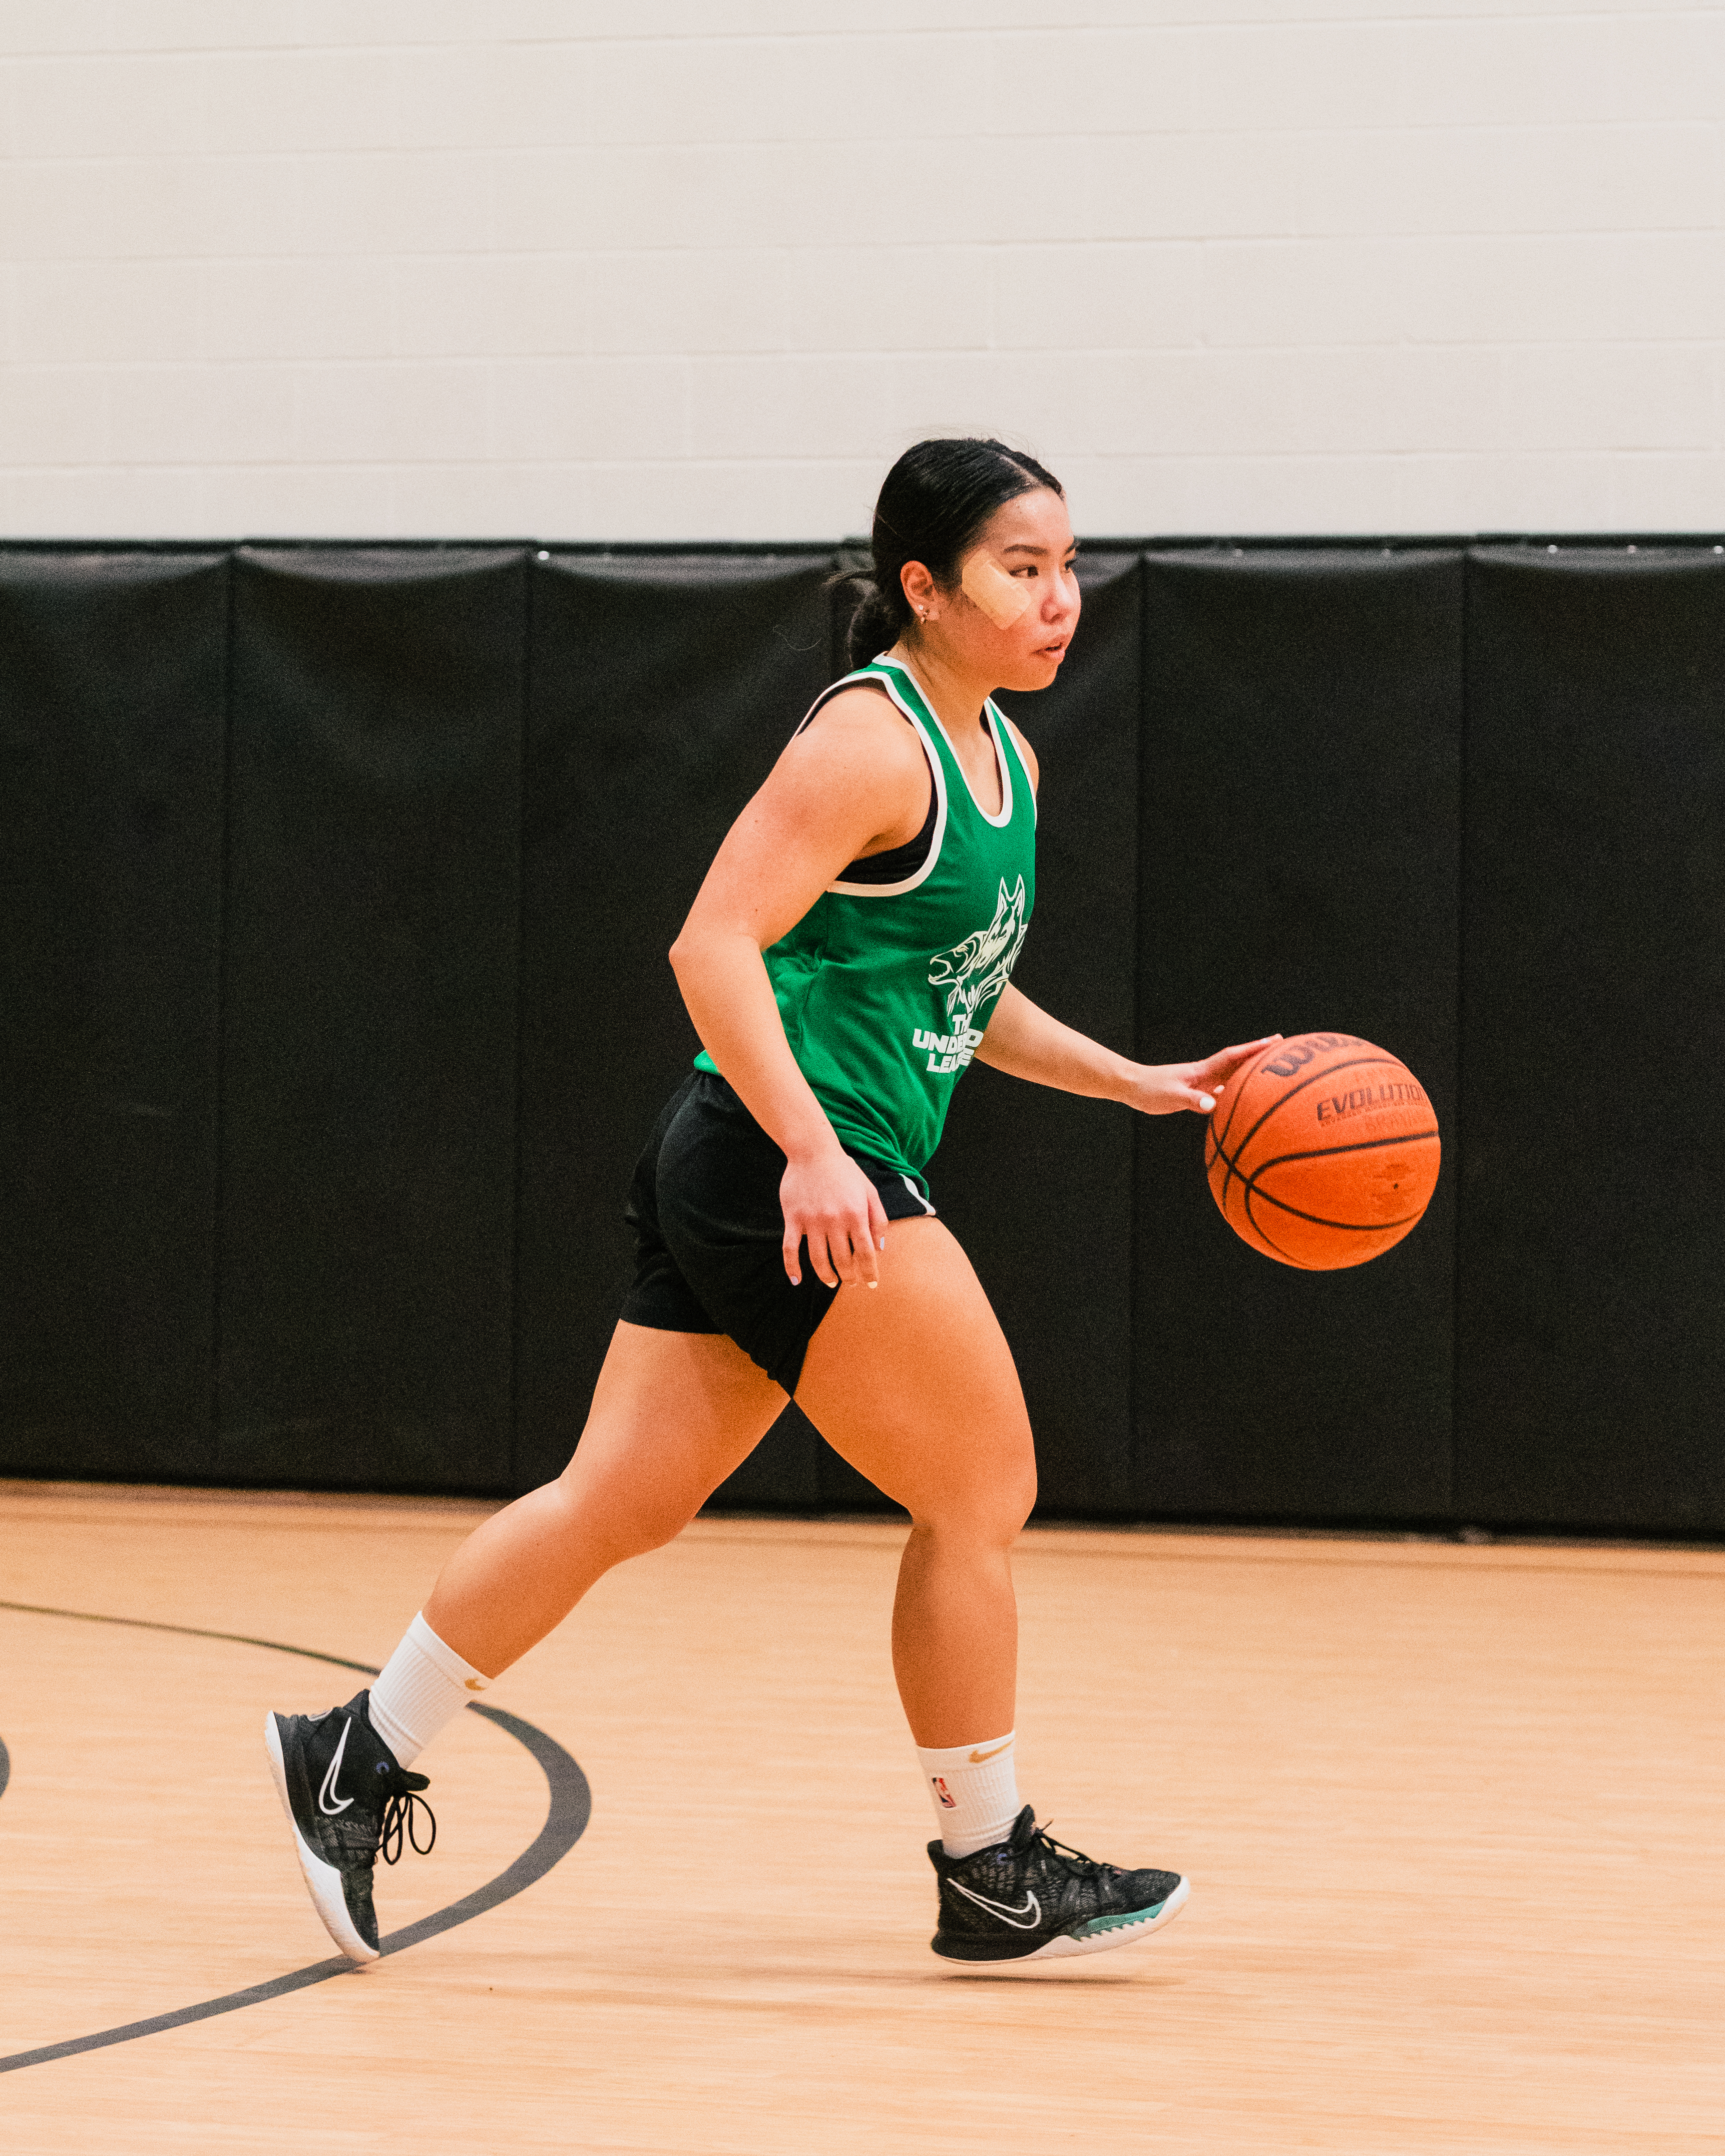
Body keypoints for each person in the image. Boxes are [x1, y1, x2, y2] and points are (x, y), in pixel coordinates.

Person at [265, 437, 1275, 1968]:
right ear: (922, 588)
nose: (1060, 599)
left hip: (759, 1153)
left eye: (1070, 566)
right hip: (788, 1160)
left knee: (619, 1497)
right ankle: (989, 1863)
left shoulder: (1003, 750)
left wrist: (1130, 1079)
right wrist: (814, 1150)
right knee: (981, 1486)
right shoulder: (870, 745)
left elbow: (964, 991)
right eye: (1022, 568)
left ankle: (354, 1751)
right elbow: (711, 944)